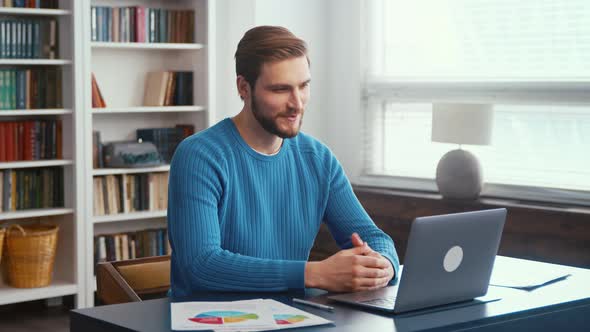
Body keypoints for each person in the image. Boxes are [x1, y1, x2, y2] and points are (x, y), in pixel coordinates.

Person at [168, 26, 399, 298]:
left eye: (304, 86)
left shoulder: (318, 159)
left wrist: (382, 265)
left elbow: (376, 239)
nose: (297, 103)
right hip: (212, 319)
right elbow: (202, 266)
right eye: (280, 89)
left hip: (294, 316)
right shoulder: (199, 156)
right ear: (244, 87)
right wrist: (316, 273)